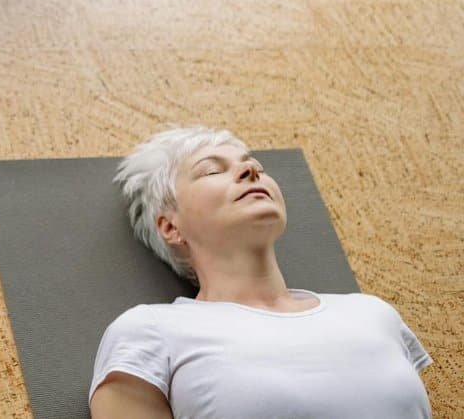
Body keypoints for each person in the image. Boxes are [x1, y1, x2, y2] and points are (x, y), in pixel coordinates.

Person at [90, 126, 432, 419]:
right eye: (211, 170)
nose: (250, 171)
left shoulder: (372, 313)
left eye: (256, 166)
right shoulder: (150, 332)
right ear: (170, 226)